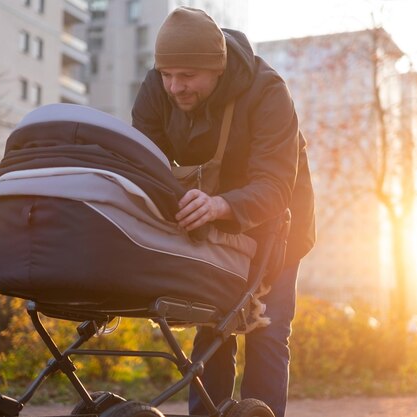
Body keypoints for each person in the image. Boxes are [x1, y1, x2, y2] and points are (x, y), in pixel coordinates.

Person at [131, 7, 316, 417]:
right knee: (212, 323)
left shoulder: (268, 92)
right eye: (167, 74)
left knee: (267, 329)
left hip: (278, 217)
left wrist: (222, 204)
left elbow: (275, 184)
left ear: (217, 68)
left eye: (187, 76)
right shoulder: (156, 87)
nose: (175, 87)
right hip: (205, 213)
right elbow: (143, 161)